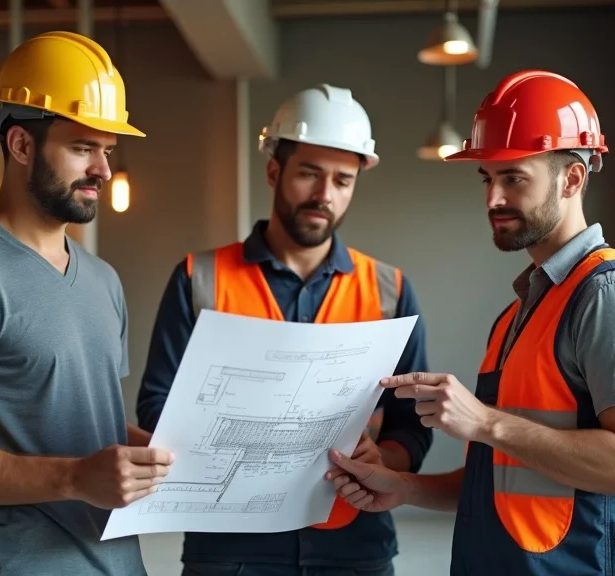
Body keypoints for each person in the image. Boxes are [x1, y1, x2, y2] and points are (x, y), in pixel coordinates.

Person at [326, 70, 615, 575]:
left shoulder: (612, 297)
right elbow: (503, 477)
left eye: (514, 178)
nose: (492, 198)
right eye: (487, 178)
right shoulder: (523, 310)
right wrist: (406, 488)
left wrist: (482, 421)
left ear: (572, 179)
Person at [0, 31, 173, 576]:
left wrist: (172, 451)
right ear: (21, 145)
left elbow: (94, 425)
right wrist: (73, 478)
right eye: (82, 147)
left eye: (108, 150)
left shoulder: (103, 281)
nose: (104, 170)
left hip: (120, 564)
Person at [136, 83, 433, 576]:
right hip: (227, 550)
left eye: (343, 180)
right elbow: (155, 405)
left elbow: (412, 422)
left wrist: (384, 458)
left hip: (355, 547)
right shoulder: (198, 278)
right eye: (309, 174)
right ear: (274, 171)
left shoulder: (389, 290)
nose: (324, 195)